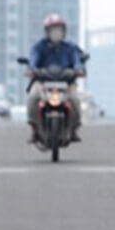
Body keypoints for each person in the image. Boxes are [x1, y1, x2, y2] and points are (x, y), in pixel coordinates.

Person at [26, 13, 88, 142]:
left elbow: (77, 60)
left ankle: (73, 129)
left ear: (64, 31)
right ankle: (35, 129)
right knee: (33, 97)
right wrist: (32, 69)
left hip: (66, 82)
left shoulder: (70, 47)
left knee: (75, 100)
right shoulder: (40, 46)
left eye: (58, 30)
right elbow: (33, 59)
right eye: (53, 30)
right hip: (42, 82)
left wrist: (78, 70)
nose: (56, 33)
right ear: (47, 32)